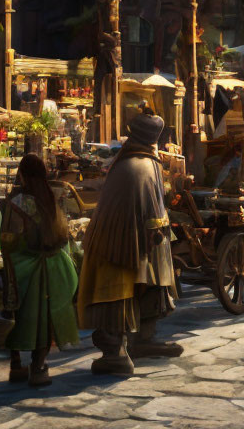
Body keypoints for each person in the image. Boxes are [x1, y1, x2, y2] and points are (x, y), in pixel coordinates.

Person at [77, 112, 181, 376]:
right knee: (124, 291)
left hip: (121, 241)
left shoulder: (133, 163)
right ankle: (122, 350)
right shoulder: (144, 165)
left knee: (125, 288)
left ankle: (129, 347)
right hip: (128, 242)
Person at [0, 154, 79, 386]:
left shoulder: (18, 202)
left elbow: (9, 239)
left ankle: (16, 365)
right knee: (46, 318)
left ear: (22, 175)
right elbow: (62, 236)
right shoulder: (51, 198)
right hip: (54, 266)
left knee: (16, 315)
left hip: (25, 268)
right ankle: (39, 366)